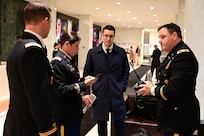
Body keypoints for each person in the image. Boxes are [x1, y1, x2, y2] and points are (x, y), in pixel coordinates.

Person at [4, 1, 57, 136]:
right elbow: (38, 98)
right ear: (45, 21)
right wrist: (48, 131)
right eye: (51, 22)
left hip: (16, 124)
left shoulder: (18, 46)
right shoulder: (33, 51)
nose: (50, 27)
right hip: (30, 127)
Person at [137, 23, 200, 136]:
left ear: (174, 35)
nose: (160, 41)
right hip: (171, 117)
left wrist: (152, 90)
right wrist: (152, 85)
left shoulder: (183, 57)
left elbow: (173, 90)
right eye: (159, 37)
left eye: (163, 37)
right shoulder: (174, 54)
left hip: (179, 119)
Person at [83, 25, 130, 136]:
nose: (108, 39)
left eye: (111, 36)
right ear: (102, 36)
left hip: (116, 92)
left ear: (114, 37)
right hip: (100, 92)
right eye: (106, 36)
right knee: (101, 123)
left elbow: (126, 70)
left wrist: (122, 86)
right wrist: (86, 93)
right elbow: (86, 73)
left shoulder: (121, 52)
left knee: (119, 122)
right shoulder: (93, 53)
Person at [51, 32, 98, 136]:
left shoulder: (68, 59)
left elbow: (72, 80)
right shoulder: (57, 62)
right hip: (65, 114)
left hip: (73, 112)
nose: (78, 49)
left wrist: (84, 79)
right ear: (67, 44)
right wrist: (83, 84)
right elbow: (61, 89)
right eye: (76, 46)